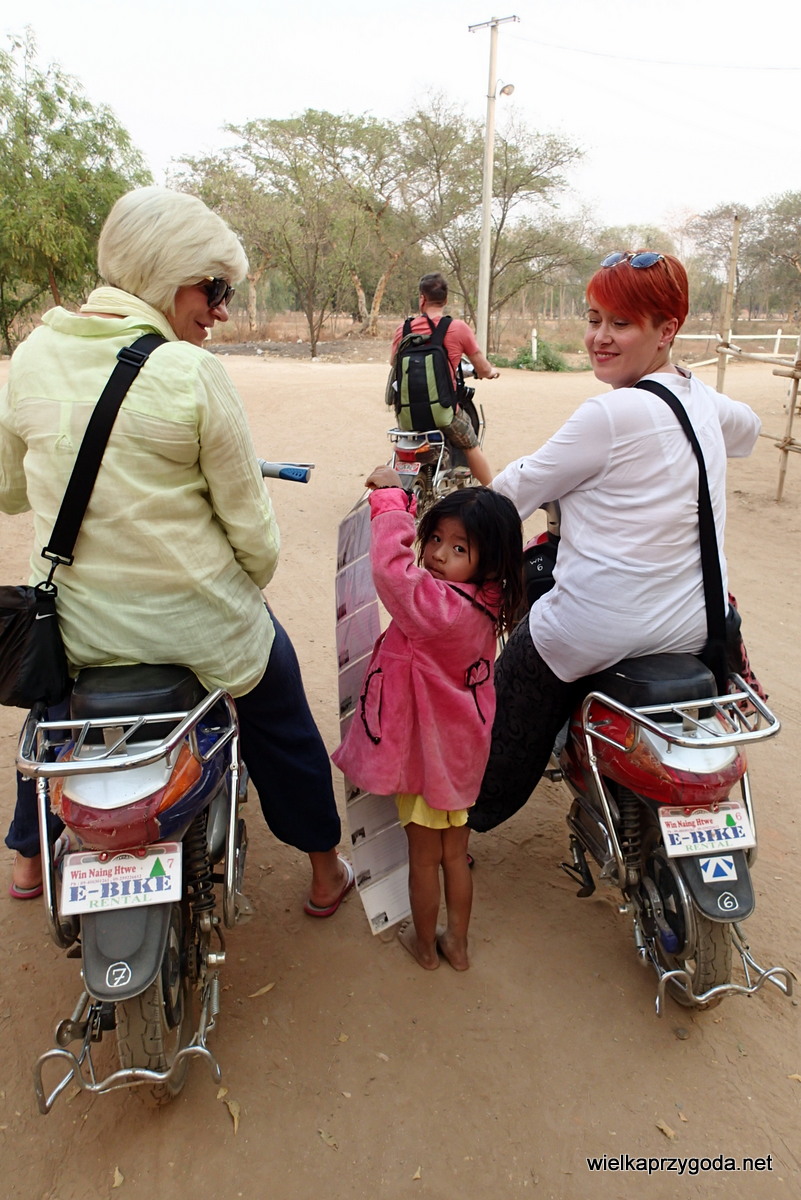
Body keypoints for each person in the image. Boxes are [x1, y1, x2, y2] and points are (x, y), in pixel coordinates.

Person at [1, 186, 353, 917]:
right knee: (280, 712)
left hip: (73, 629)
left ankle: (30, 859)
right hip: (199, 629)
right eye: (214, 288)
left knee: (51, 713)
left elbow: (8, 492)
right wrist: (242, 586)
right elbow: (254, 537)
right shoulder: (190, 373)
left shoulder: (31, 357)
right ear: (167, 277)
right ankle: (325, 868)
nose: (220, 311)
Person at [468, 250, 762, 834]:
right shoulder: (699, 397)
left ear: (666, 330)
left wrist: (445, 530)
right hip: (698, 625)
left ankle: (470, 811)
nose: (600, 337)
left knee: (501, 710)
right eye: (593, 319)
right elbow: (748, 429)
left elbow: (511, 492)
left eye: (620, 323)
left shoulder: (608, 413)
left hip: (597, 631)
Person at [332, 469, 523, 969]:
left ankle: (424, 946)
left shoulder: (439, 607)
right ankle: (456, 944)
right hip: (461, 758)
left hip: (426, 758)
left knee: (423, 859)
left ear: (489, 561)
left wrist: (390, 502)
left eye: (459, 548)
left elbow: (392, 572)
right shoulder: (485, 600)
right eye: (435, 539)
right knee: (454, 855)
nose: (437, 554)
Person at [390, 272, 500, 486]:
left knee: (403, 441)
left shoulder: (403, 330)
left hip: (407, 414)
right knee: (470, 444)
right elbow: (482, 367)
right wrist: (491, 372)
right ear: (446, 299)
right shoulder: (458, 328)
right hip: (444, 412)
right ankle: (493, 492)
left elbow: (394, 363)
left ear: (422, 298)